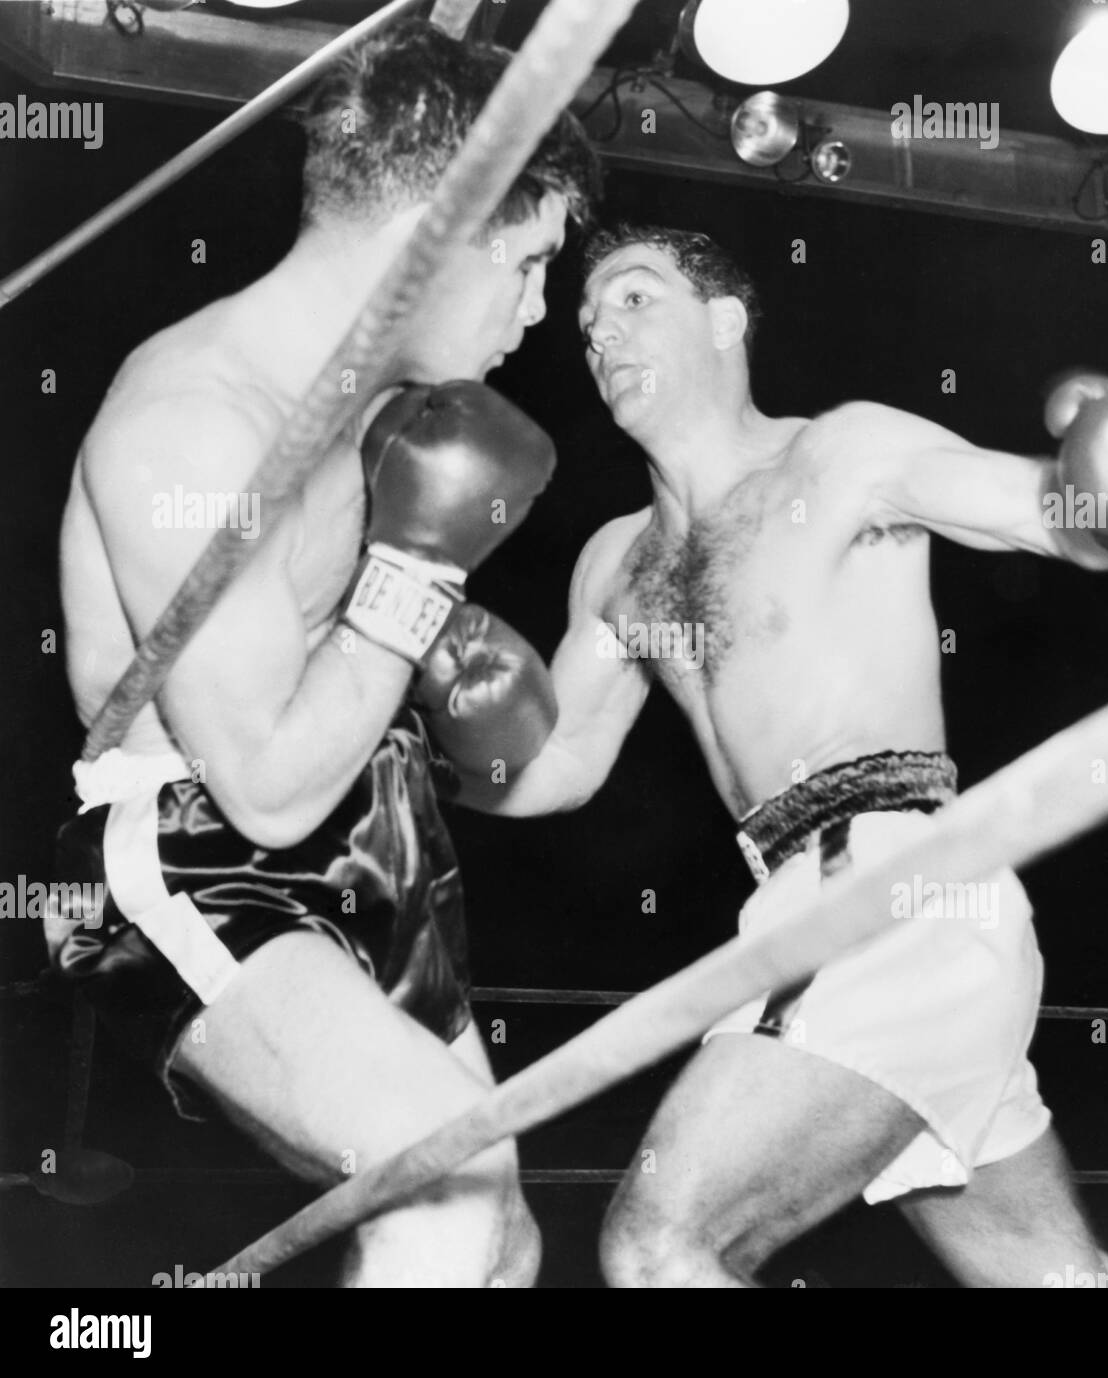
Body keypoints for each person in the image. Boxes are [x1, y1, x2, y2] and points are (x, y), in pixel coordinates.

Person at [457, 223, 1108, 1287]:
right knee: (1066, 1286)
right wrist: (444, 734)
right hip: (795, 903)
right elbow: (552, 766)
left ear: (725, 322)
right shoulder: (619, 561)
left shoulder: (842, 455)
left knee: (663, 1244)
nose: (597, 332)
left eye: (631, 299)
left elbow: (1063, 521)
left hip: (892, 890)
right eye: (584, 323)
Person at [47, 22, 599, 1287]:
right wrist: (417, 580)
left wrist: (429, 643)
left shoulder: (371, 408)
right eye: (524, 263)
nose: (535, 310)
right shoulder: (196, 425)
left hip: (380, 825)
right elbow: (269, 785)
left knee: (501, 1243)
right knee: (440, 1186)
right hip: (207, 843)